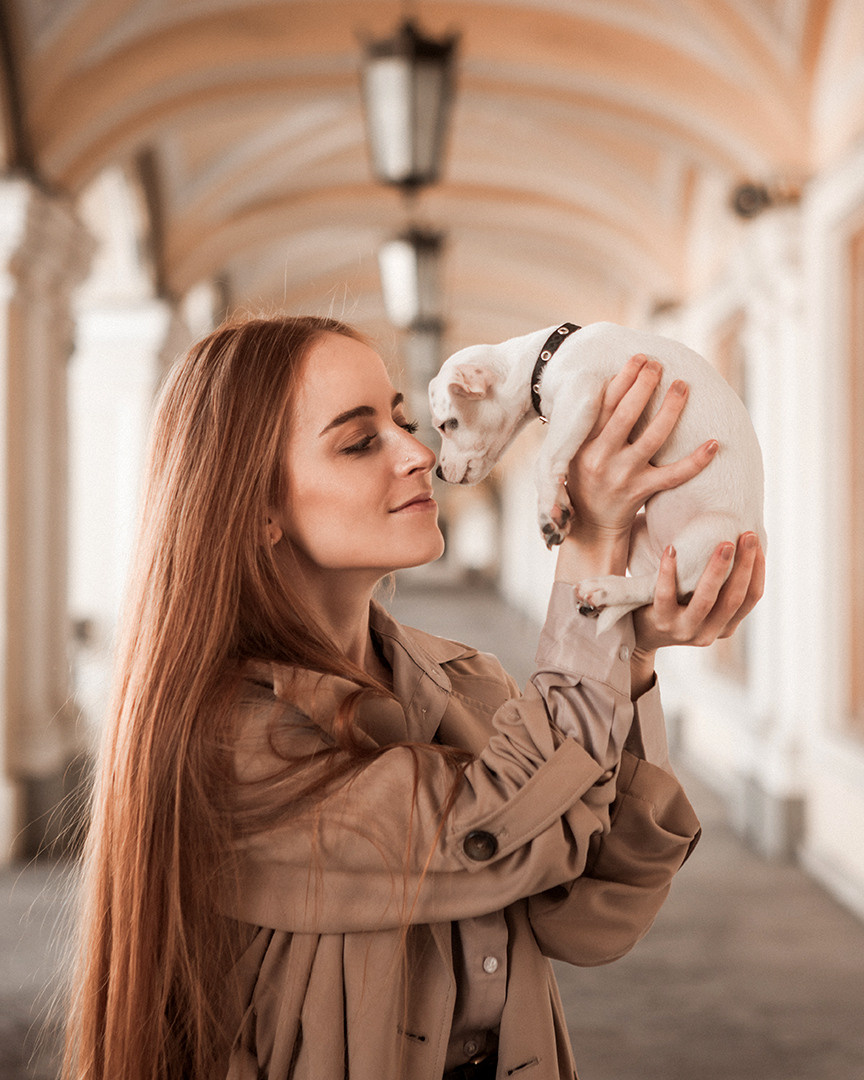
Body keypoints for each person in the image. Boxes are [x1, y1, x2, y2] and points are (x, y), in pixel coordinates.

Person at [61, 314, 764, 1080]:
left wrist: (630, 650)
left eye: (403, 421)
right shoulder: (228, 740)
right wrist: (592, 549)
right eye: (362, 441)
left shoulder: (470, 681)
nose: (421, 452)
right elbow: (506, 836)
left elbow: (594, 918)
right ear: (256, 508)